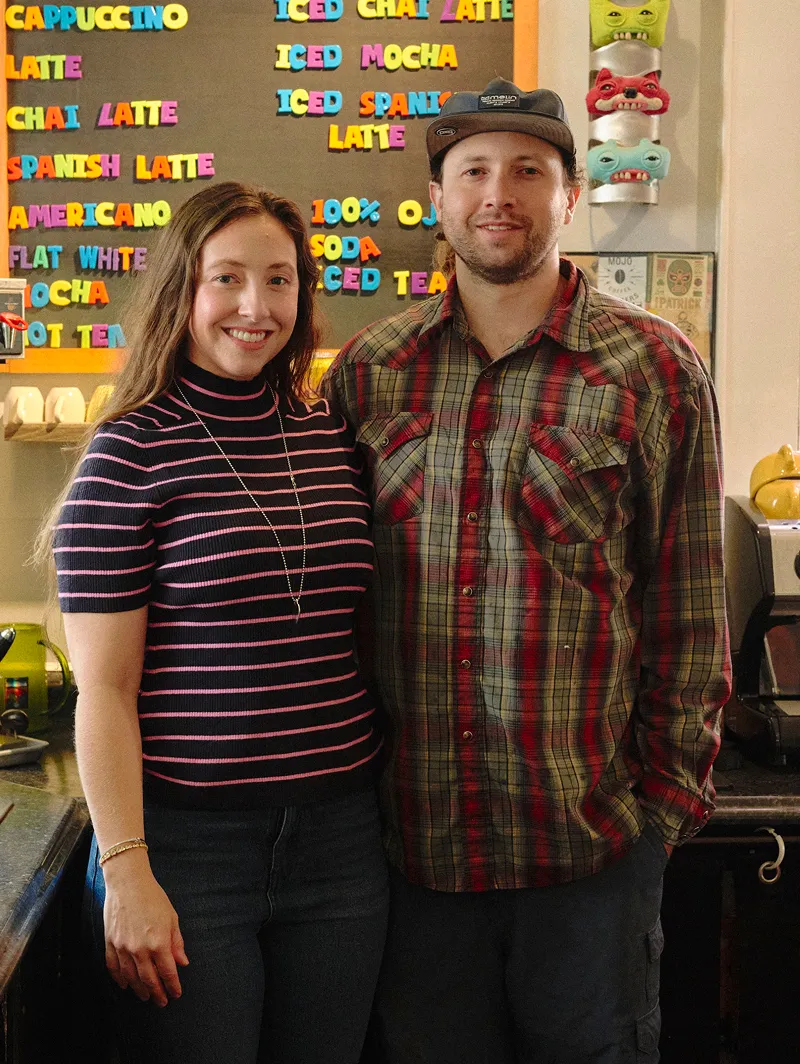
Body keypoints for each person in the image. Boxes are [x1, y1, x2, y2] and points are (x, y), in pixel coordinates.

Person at [324, 79, 731, 1063]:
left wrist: (658, 816)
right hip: (412, 855)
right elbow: (339, 608)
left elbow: (688, 609)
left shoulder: (653, 368)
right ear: (436, 195)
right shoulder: (367, 372)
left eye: (525, 170)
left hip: (587, 856)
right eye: (471, 170)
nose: (495, 193)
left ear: (568, 192)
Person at [47, 182, 388, 1064]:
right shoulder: (129, 450)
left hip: (342, 839)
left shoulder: (327, 433)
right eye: (227, 279)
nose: (255, 306)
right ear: (182, 292)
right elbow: (105, 693)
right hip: (190, 850)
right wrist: (126, 871)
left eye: (279, 281)